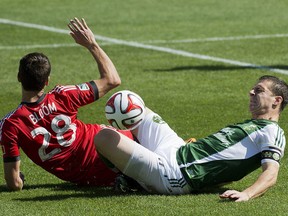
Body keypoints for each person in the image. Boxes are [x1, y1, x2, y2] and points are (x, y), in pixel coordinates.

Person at [95, 75, 288, 202]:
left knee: (104, 136)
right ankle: (131, 169)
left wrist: (246, 194)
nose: (251, 92)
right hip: (177, 149)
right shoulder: (254, 126)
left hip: (174, 174)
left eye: (259, 90)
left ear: (276, 101)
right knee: (131, 103)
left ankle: (129, 179)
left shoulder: (272, 132)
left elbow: (271, 173)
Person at [0, 17, 134, 191]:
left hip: (98, 176)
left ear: (19, 77)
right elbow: (112, 79)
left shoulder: (11, 124)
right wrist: (91, 44)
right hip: (117, 142)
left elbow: (14, 183)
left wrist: (19, 180)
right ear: (47, 80)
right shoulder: (63, 95)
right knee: (137, 111)